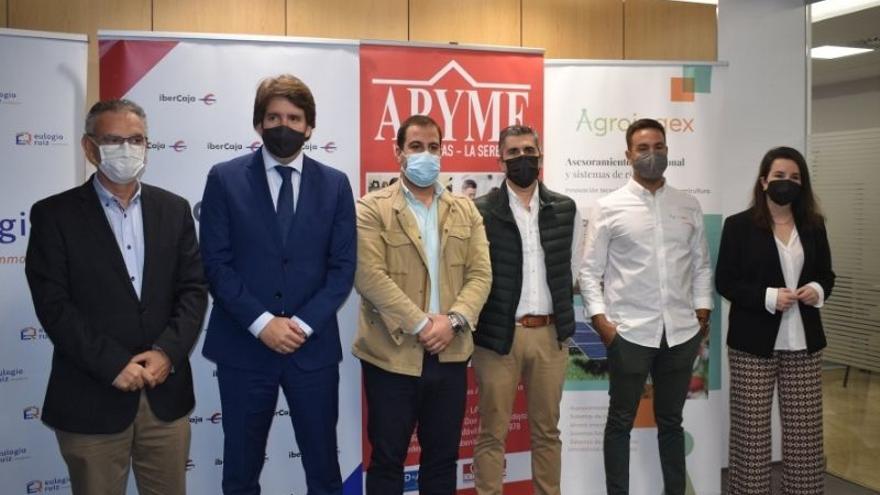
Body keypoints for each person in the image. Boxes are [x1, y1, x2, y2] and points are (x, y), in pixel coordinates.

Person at [25, 99, 208, 495]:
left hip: (165, 397)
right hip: (91, 397)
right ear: (89, 147)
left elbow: (193, 290)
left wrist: (167, 353)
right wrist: (111, 364)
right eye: (113, 140)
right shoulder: (53, 215)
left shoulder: (173, 209)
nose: (126, 149)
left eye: (136, 139)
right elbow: (53, 305)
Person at [199, 74, 356, 495]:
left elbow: (343, 269)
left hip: (313, 349)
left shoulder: (336, 184)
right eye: (273, 117)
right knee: (240, 470)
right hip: (244, 347)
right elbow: (216, 263)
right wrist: (262, 322)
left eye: (293, 117)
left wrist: (301, 325)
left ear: (309, 127)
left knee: (324, 468)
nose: (283, 125)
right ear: (258, 124)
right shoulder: (224, 178)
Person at [352, 114, 492, 494]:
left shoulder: (466, 210)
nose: (426, 155)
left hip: (450, 352)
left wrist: (454, 321)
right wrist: (422, 324)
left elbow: (481, 275)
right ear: (399, 153)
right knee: (387, 459)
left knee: (443, 460)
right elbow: (368, 275)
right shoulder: (371, 207)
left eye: (433, 147)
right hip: (391, 356)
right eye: (416, 147)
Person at [578, 118, 713, 495]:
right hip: (630, 334)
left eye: (658, 147)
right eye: (642, 148)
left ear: (667, 151)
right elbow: (589, 272)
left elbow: (701, 264)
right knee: (620, 422)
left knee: (671, 421)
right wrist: (603, 322)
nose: (651, 155)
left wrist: (702, 311)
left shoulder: (688, 204)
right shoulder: (609, 206)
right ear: (628, 155)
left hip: (682, 333)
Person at [716, 146, 834, 495]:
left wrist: (815, 288)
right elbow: (726, 281)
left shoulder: (814, 226)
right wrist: (769, 297)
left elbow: (827, 275)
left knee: (805, 435)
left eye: (795, 177)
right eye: (780, 176)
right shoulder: (738, 225)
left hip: (804, 344)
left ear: (803, 183)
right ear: (764, 181)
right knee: (750, 434)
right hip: (753, 345)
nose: (787, 183)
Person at [471, 125, 582, 495]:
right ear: (499, 158)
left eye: (529, 151)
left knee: (547, 432)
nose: (523, 159)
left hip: (550, 337)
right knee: (492, 433)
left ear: (541, 156)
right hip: (497, 338)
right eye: (514, 152)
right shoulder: (480, 210)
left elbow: (572, 270)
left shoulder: (565, 209)